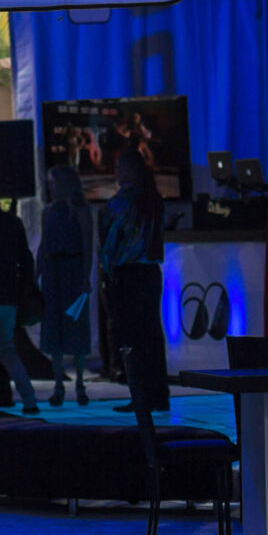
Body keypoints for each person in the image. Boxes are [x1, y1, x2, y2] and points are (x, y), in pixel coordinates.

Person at [101, 148, 169, 422]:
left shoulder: (121, 202)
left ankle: (140, 397)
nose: (116, 171)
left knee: (131, 336)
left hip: (128, 274)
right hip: (151, 273)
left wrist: (106, 272)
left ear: (129, 170)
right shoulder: (154, 199)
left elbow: (110, 243)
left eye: (119, 166)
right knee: (152, 333)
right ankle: (159, 394)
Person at [37, 164, 96, 406]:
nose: (51, 187)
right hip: (53, 272)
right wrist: (36, 274)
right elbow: (44, 245)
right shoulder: (48, 211)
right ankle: (59, 384)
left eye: (54, 182)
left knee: (76, 325)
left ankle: (80, 383)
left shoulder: (80, 210)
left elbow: (87, 245)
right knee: (54, 327)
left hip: (72, 270)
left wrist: (86, 276)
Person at [0, 202, 41, 415]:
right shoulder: (13, 222)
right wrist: (23, 291)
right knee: (7, 349)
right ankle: (29, 399)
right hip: (9, 296)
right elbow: (26, 260)